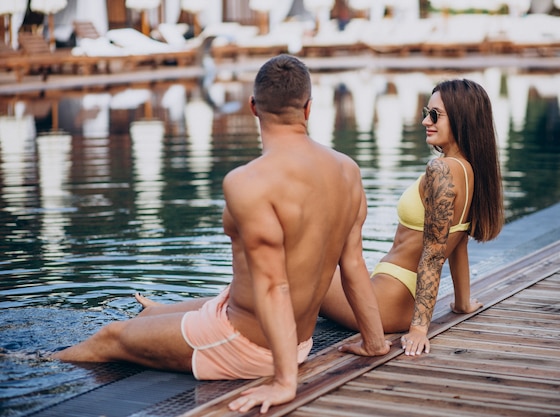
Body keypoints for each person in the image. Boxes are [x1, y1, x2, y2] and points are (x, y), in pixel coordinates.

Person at [51, 54, 390, 414]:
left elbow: (275, 286)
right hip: (291, 338)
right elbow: (353, 264)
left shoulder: (249, 182)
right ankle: (158, 318)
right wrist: (374, 342)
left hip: (249, 345)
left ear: (253, 107)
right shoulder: (347, 170)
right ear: (308, 109)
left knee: (109, 337)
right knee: (146, 318)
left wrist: (284, 382)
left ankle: (34, 363)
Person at [320, 78, 504, 357]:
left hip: (387, 304)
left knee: (293, 264)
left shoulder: (441, 171)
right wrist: (462, 303)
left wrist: (419, 329)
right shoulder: (471, 171)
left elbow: (433, 253)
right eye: (425, 113)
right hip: (397, 298)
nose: (425, 122)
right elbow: (458, 243)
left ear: (462, 119)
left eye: (435, 115)